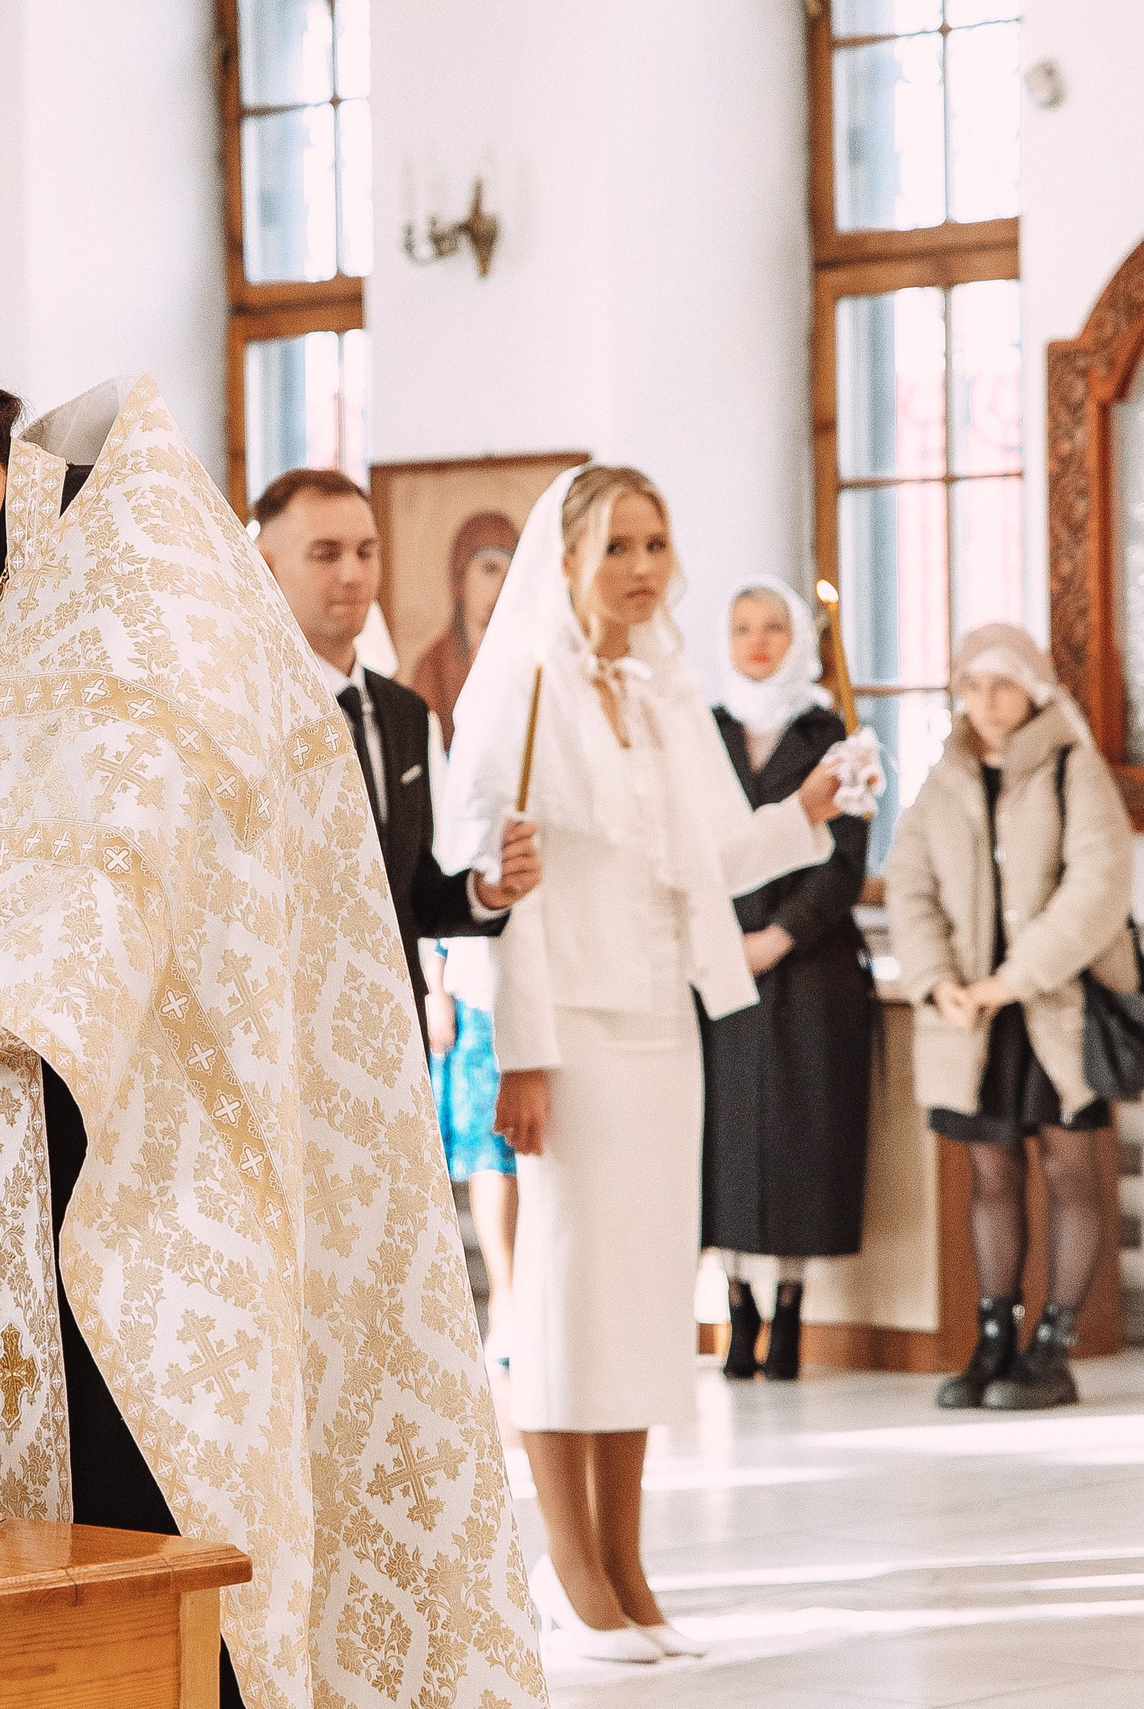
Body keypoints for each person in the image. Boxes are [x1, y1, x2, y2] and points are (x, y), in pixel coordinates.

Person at [0, 302, 545, 1709]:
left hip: (161, 1225)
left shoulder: (140, 574)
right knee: (45, 1638)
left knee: (181, 1629)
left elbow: (102, 913)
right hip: (15, 1235)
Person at [442, 466, 841, 1662]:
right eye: (618, 543)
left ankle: (628, 1566)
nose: (642, 567)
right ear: (566, 558)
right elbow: (487, 880)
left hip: (667, 1025)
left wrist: (811, 804)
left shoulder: (665, 693)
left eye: (657, 542)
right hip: (566, 1028)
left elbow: (717, 855)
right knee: (564, 1301)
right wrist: (518, 1049)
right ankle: (570, 1574)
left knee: (644, 1306)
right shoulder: (517, 684)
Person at [885, 623, 1135, 1412]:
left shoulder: (1072, 765)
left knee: (1069, 1170)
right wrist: (937, 979)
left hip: (1054, 1010)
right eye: (971, 686)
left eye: (1001, 684)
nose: (985, 703)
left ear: (1033, 688)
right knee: (990, 1174)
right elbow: (908, 883)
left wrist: (1014, 979)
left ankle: (1053, 1349)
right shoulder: (944, 776)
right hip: (972, 1020)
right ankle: (993, 1339)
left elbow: (1099, 883)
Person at [249, 466, 538, 1049]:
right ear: (267, 565)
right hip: (282, 1036)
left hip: (396, 1028)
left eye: (366, 551)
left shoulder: (406, 714)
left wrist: (485, 892)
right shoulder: (240, 712)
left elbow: (414, 894)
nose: (353, 575)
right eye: (325, 554)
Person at [700, 577, 875, 1381]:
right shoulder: (701, 732)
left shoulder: (831, 732)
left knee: (802, 1140)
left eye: (774, 626)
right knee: (726, 1142)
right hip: (717, 965)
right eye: (743, 627)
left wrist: (778, 937)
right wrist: (727, 940)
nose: (758, 640)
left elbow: (844, 862)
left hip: (809, 970)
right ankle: (738, 1312)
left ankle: (794, 1316)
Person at [409, 509, 520, 748]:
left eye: (510, 574)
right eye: (489, 569)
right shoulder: (433, 666)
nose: (501, 586)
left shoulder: (524, 661)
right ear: (460, 575)